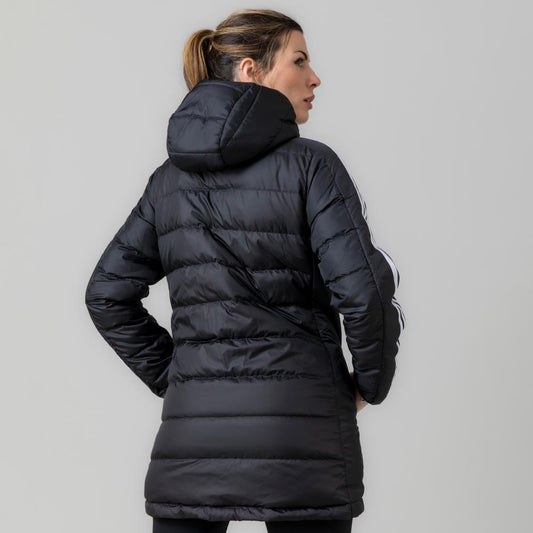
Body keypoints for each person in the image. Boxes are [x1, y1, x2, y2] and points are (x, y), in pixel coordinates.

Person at [85, 8, 405, 533]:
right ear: (251, 70)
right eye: (299, 60)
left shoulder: (168, 181)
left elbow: (106, 293)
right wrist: (369, 386)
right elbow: (365, 293)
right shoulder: (312, 165)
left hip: (191, 445)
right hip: (301, 437)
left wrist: (182, 380)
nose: (315, 77)